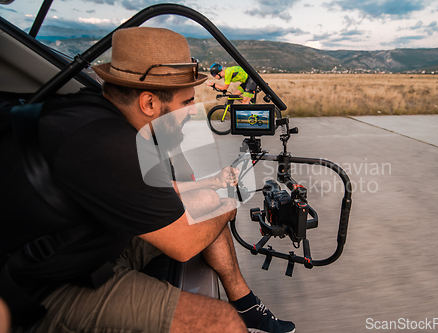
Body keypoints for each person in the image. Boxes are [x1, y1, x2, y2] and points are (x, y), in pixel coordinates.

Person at [0, 27, 295, 333]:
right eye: (186, 104)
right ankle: (238, 317)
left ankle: (245, 303)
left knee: (208, 202)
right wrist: (230, 203)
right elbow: (184, 244)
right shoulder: (107, 144)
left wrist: (210, 185)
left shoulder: (106, 115)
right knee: (220, 323)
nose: (191, 113)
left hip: (90, 244)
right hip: (46, 287)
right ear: (150, 104)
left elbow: (148, 190)